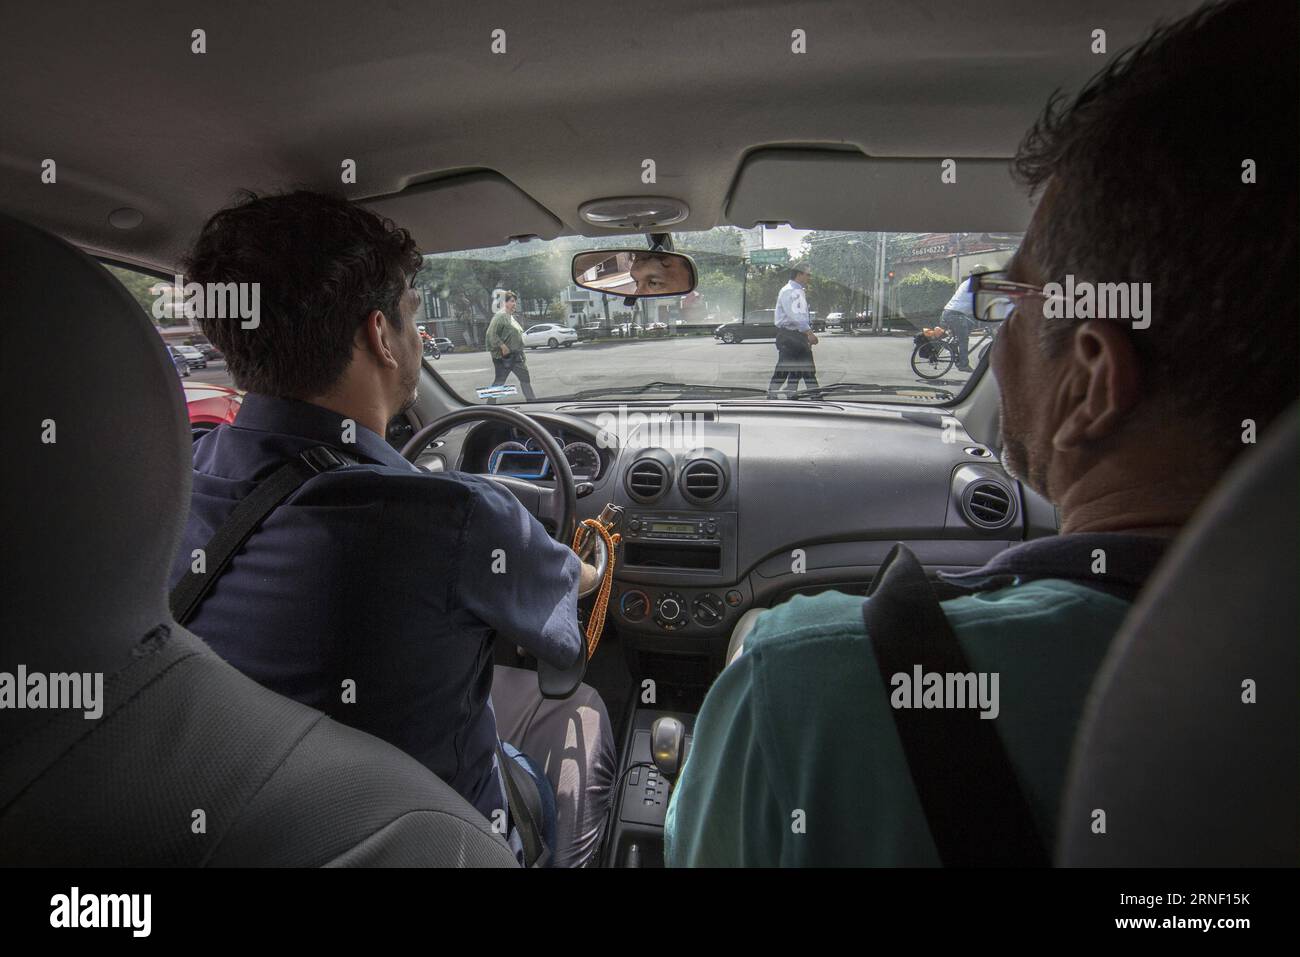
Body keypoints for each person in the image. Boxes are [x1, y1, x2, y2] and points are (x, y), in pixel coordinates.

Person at [666, 0, 1298, 866]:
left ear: (1091, 382)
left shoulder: (803, 686)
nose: (990, 334)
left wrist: (757, 662)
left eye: (1007, 301)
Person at [170, 191, 615, 867]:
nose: (421, 335)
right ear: (380, 334)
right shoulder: (457, 516)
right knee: (580, 707)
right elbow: (577, 594)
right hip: (438, 835)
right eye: (413, 316)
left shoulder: (176, 480)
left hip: (242, 829)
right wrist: (599, 548)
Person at [767, 263, 821, 396]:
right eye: (807, 274)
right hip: (790, 336)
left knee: (806, 369)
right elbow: (795, 316)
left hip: (796, 335)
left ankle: (809, 395)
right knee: (784, 369)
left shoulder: (797, 290)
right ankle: (772, 394)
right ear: (799, 274)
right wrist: (809, 333)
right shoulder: (791, 290)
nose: (809, 277)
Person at [485, 291, 537, 401]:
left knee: (525, 379)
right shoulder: (500, 316)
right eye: (512, 301)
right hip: (504, 357)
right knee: (499, 382)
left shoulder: (510, 317)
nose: (515, 304)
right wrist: (502, 346)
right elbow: (491, 334)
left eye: (515, 302)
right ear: (504, 303)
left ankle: (532, 402)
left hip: (517, 356)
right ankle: (489, 405)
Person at [940, 264, 989, 372]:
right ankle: (963, 365)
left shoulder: (967, 282)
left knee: (970, 324)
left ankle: (952, 346)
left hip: (948, 313)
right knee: (964, 339)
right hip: (955, 315)